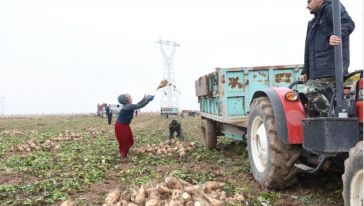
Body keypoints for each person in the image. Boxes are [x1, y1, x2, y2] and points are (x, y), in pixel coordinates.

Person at [301, 0, 355, 116]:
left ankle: (334, 117)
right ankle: (323, 124)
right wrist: (306, 70)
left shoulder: (331, 8)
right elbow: (308, 48)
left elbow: (348, 23)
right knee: (311, 102)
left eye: (309, 1)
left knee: (309, 91)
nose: (307, 6)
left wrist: (335, 35)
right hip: (318, 71)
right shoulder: (313, 22)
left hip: (330, 68)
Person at [115, 94, 154, 162]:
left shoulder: (128, 106)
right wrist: (148, 100)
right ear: (126, 100)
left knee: (129, 141)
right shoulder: (129, 106)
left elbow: (137, 105)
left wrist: (144, 99)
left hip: (123, 125)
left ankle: (123, 153)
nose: (131, 98)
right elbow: (140, 106)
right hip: (122, 126)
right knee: (126, 141)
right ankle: (123, 156)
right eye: (129, 97)